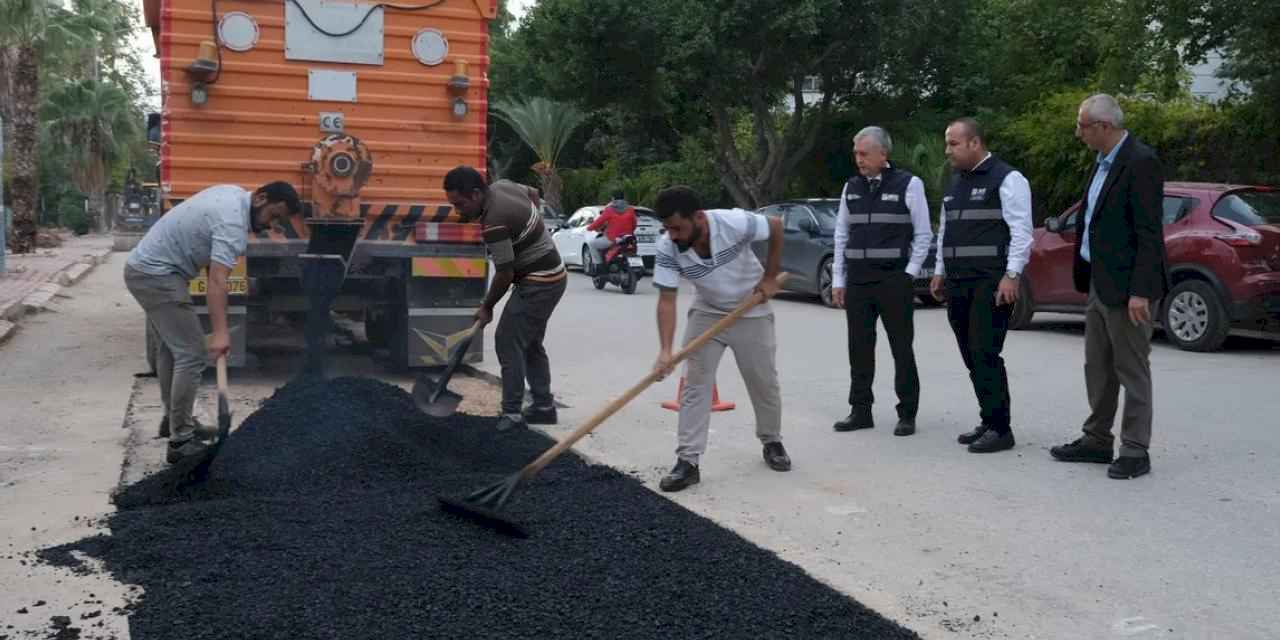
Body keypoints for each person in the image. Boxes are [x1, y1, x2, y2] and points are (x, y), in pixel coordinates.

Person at [125, 181, 301, 463]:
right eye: (274, 216)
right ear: (261, 199)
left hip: (148, 269)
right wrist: (221, 334)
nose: (272, 225)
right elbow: (217, 281)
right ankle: (181, 441)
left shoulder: (232, 195)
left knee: (173, 349)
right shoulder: (233, 225)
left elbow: (210, 258)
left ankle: (173, 421)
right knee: (192, 354)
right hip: (156, 275)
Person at [1049, 94, 1167, 480]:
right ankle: (1097, 440)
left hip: (1128, 287)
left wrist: (1141, 291)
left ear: (1103, 126)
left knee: (1131, 367)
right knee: (1097, 366)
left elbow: (1150, 232)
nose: (1077, 132)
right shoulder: (1101, 163)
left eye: (1082, 125)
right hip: (1099, 280)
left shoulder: (1141, 162)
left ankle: (1135, 449)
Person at [650, 185, 788, 492]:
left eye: (677, 228)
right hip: (708, 311)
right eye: (667, 229)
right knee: (695, 385)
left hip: (751, 309)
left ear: (697, 217)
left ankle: (772, 441)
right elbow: (667, 299)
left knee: (762, 380)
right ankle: (688, 462)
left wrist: (769, 276)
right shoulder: (668, 246)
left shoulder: (733, 222)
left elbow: (776, 226)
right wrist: (665, 351)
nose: (672, 235)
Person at [929, 118, 1033, 454]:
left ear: (975, 143)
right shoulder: (955, 182)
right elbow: (946, 230)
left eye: (953, 144)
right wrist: (939, 270)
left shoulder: (1007, 179)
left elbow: (1022, 232)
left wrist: (1012, 275)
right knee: (969, 353)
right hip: (958, 282)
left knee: (985, 351)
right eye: (947, 144)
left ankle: (1001, 429)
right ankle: (989, 419)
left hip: (991, 282)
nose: (948, 151)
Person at [444, 166, 567, 432]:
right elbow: (533, 194)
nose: (458, 210)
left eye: (460, 204)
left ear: (476, 194)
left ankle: (511, 413)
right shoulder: (504, 185)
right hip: (552, 274)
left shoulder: (494, 222)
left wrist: (487, 306)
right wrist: (533, 231)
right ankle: (543, 407)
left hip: (540, 281)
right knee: (530, 341)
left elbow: (504, 272)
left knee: (508, 341)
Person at [831, 126, 933, 437]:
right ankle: (860, 411)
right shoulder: (851, 187)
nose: (858, 160)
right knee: (859, 348)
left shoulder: (908, 184)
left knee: (901, 348)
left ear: (882, 154)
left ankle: (907, 413)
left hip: (893, 280)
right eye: (856, 154)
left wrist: (909, 273)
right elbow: (841, 234)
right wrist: (838, 278)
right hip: (859, 281)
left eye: (864, 154)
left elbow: (923, 233)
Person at [585, 190, 638, 272]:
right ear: (624, 198)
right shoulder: (630, 209)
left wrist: (589, 227)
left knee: (592, 243)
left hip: (612, 239)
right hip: (627, 238)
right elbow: (634, 224)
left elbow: (599, 221)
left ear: (613, 199)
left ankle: (599, 266)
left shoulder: (610, 209)